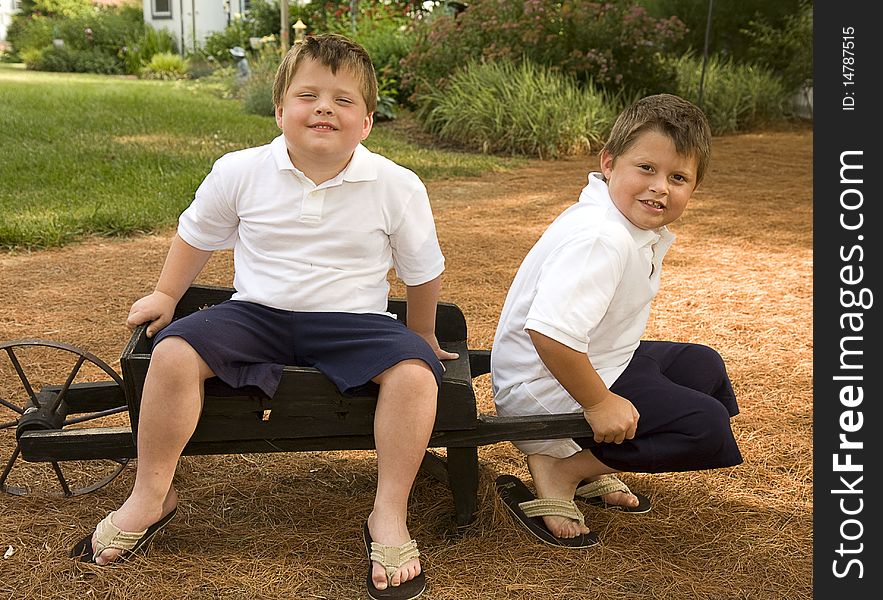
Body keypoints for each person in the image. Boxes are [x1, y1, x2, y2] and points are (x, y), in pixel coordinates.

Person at [71, 33, 457, 600]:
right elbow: (196, 235)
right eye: (308, 95)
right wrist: (164, 295)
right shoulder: (241, 171)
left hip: (352, 319)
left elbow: (422, 269)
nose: (324, 107)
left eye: (344, 100)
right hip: (257, 312)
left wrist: (420, 333)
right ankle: (150, 496)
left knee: (415, 377)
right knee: (174, 353)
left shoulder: (397, 186)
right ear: (280, 111)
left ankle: (388, 514)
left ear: (368, 123)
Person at [492, 94, 743, 548]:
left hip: (603, 358)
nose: (660, 187)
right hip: (545, 384)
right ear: (608, 162)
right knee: (704, 426)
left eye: (678, 177)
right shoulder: (600, 238)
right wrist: (598, 402)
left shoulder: (626, 224)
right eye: (646, 168)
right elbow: (548, 333)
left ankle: (587, 459)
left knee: (702, 366)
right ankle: (561, 469)